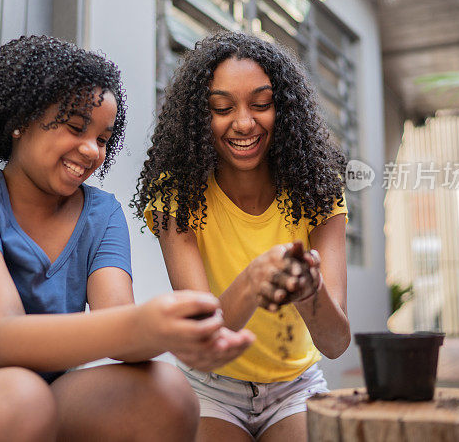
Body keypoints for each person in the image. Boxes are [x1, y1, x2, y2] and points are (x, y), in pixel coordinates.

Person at [0, 35, 254, 442]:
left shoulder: (101, 214)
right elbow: (3, 336)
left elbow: (119, 324)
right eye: (75, 128)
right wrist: (145, 324)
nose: (91, 150)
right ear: (20, 120)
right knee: (20, 398)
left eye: (103, 139)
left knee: (168, 391)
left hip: (35, 398)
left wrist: (178, 336)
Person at [132, 31, 351, 441]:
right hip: (209, 387)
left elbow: (337, 342)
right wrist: (255, 279)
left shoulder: (317, 190)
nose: (245, 122)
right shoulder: (178, 191)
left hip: (296, 388)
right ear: (200, 116)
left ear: (282, 110)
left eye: (261, 104)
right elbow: (206, 341)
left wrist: (309, 290)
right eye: (222, 108)